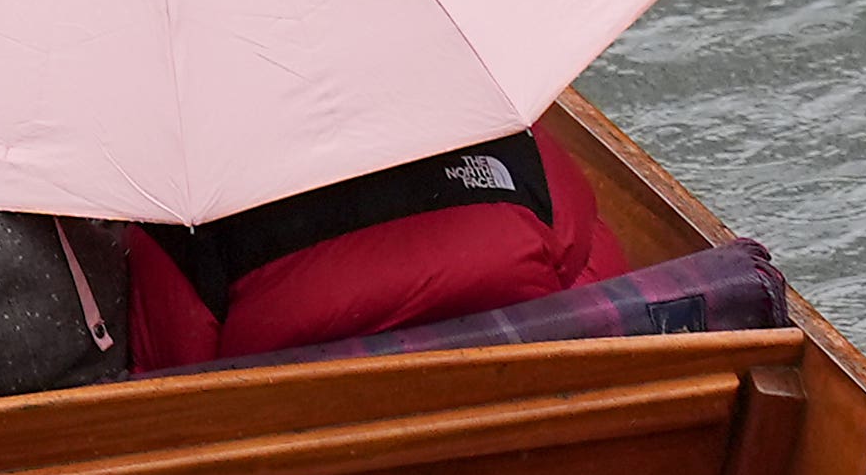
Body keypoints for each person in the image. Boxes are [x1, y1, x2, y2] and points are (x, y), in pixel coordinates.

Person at [120, 113, 629, 368]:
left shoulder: (181, 219)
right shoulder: (520, 148)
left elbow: (171, 396)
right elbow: (600, 291)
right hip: (516, 458)